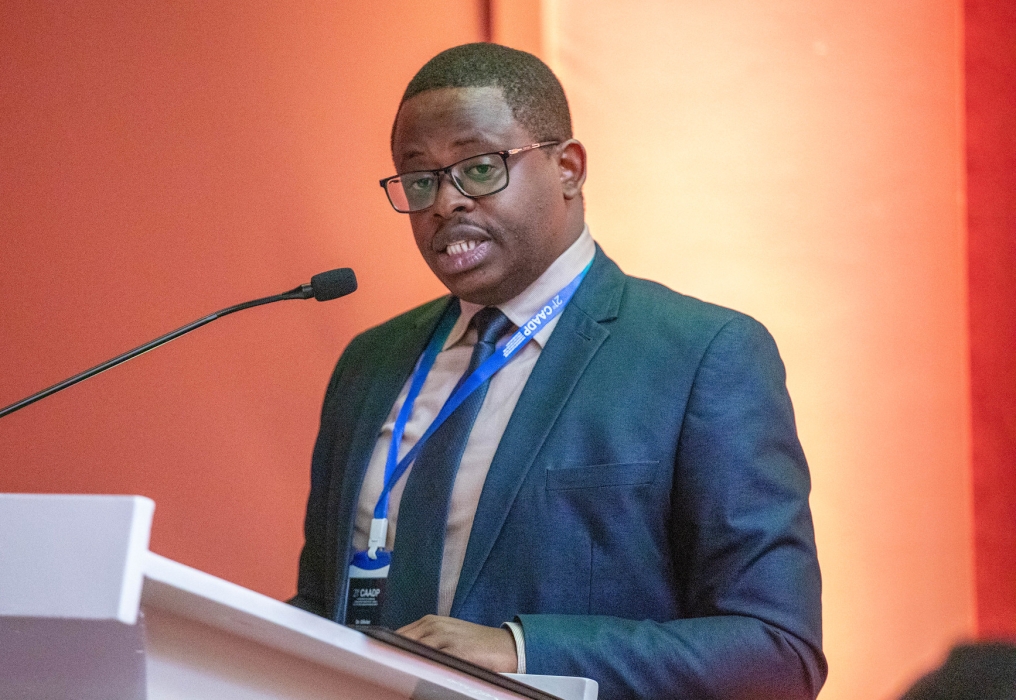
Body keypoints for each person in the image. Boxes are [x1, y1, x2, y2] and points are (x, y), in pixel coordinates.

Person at [290, 42, 826, 699]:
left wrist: (521, 649)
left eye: (480, 168)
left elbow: (776, 653)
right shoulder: (370, 365)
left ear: (568, 167)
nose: (445, 204)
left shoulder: (702, 355)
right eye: (420, 179)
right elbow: (320, 608)